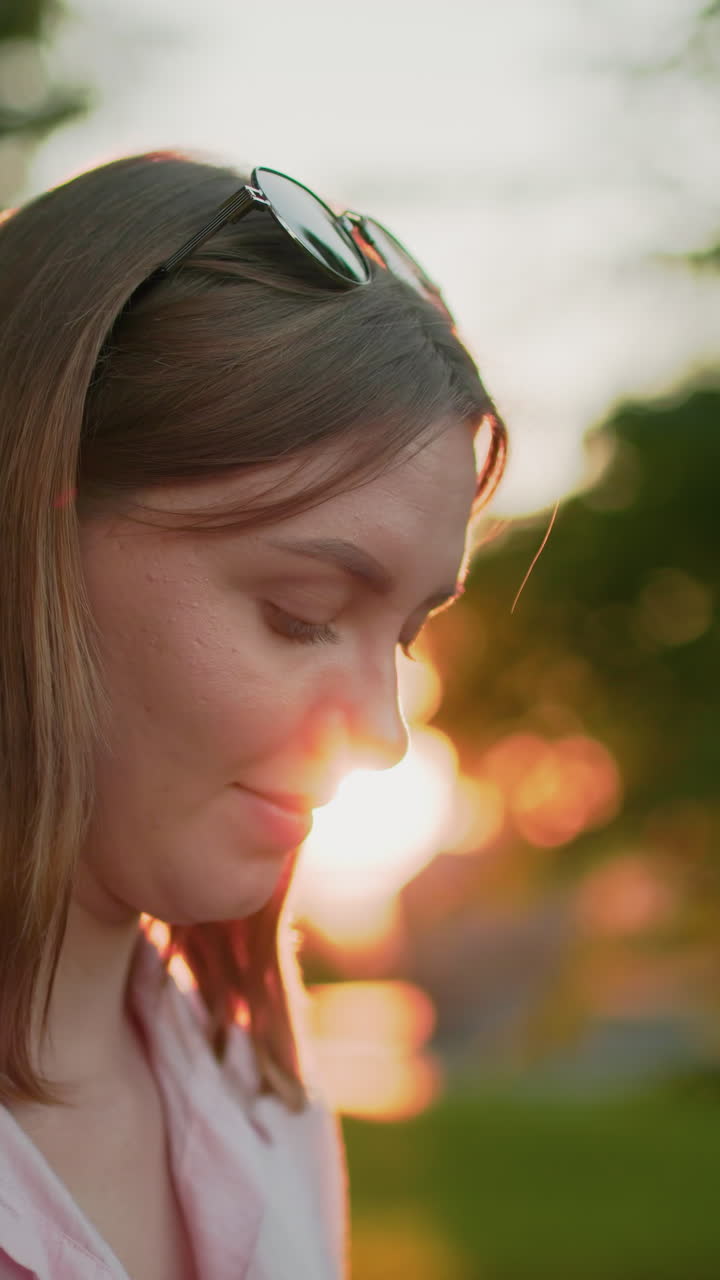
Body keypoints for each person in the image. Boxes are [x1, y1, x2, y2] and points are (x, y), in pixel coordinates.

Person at [0, 152, 508, 1280]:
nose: (382, 734)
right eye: (301, 613)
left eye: (406, 635)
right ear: (28, 531)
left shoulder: (268, 1105)